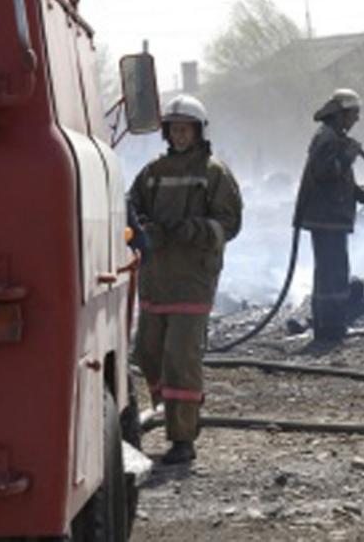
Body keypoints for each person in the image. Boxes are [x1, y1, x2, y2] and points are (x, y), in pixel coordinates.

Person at [129, 94, 243, 465]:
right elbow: (130, 210)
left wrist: (195, 229)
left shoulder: (214, 173)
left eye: (185, 130)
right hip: (155, 279)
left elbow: (230, 223)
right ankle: (173, 408)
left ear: (198, 132)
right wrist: (145, 229)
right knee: (148, 353)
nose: (179, 136)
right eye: (174, 130)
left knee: (180, 358)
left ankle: (183, 437)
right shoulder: (152, 172)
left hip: (193, 280)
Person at [294, 88, 364, 341]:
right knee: (332, 275)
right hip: (326, 219)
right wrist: (348, 156)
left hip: (330, 219)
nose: (357, 119)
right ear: (341, 114)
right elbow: (325, 173)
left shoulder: (333, 138)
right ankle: (330, 329)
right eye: (354, 114)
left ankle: (330, 326)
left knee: (333, 273)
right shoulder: (327, 139)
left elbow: (344, 185)